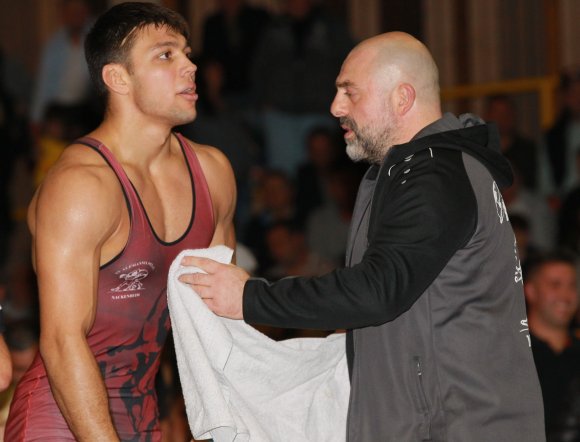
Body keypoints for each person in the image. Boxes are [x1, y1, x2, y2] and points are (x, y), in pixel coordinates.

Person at [181, 31, 545, 440]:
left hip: (458, 426)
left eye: (349, 92)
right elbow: (411, 296)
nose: (335, 106)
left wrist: (250, 298)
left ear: (401, 98)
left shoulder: (435, 174)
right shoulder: (414, 171)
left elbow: (378, 290)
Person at [5, 2, 236, 441]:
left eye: (187, 53)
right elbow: (61, 339)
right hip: (58, 418)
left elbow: (218, 319)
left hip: (142, 413)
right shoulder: (81, 186)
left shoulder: (213, 172)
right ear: (117, 78)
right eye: (166, 55)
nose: (189, 66)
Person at [524, 251, 580, 439]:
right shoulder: (513, 354)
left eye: (572, 285)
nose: (566, 295)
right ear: (531, 291)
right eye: (555, 285)